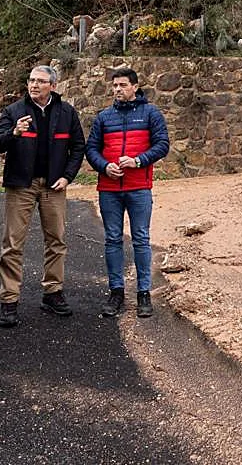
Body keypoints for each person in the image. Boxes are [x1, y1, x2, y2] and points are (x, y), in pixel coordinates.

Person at [0, 65, 86, 327]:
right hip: (20, 185)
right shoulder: (14, 111)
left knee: (56, 240)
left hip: (53, 186)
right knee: (12, 243)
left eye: (41, 81)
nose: (34, 85)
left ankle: (53, 293)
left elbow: (78, 146)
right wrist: (14, 133)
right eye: (31, 80)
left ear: (53, 86)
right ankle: (9, 299)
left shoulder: (67, 112)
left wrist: (67, 176)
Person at [85, 67, 168, 319]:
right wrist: (104, 166)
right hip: (109, 188)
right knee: (112, 239)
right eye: (114, 86)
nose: (117, 90)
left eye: (122, 85)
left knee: (141, 238)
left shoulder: (151, 113)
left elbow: (162, 145)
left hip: (139, 187)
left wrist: (139, 161)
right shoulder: (104, 117)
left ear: (134, 86)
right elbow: (92, 149)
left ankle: (144, 293)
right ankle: (116, 292)